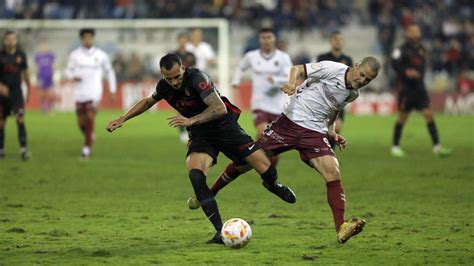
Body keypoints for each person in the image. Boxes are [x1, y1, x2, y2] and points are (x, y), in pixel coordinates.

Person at [105, 54, 296, 244]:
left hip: (225, 128)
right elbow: (148, 101)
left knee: (265, 166)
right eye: (168, 78)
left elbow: (219, 108)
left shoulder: (198, 78)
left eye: (176, 76)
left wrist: (191, 120)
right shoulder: (164, 86)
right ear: (162, 75)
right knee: (196, 175)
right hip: (200, 135)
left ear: (183, 68)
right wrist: (122, 118)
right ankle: (221, 231)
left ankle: (272, 185)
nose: (173, 82)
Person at [189, 57, 381, 244]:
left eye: (368, 80)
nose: (362, 80)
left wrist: (331, 131)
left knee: (333, 171)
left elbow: (335, 108)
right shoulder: (334, 69)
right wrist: (291, 83)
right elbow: (297, 69)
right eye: (362, 74)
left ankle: (341, 228)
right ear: (356, 66)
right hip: (288, 123)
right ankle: (209, 193)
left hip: (313, 132)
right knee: (248, 161)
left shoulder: (352, 93)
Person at [391, 24, 451, 157]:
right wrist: (406, 71)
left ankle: (437, 147)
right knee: (402, 117)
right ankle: (395, 147)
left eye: (418, 31)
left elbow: (423, 67)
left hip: (420, 88)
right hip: (406, 89)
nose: (417, 33)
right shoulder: (400, 49)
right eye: (413, 31)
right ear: (408, 33)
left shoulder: (422, 49)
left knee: (429, 115)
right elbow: (394, 64)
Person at [64, 28, 117, 158]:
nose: (88, 40)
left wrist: (112, 89)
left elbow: (110, 72)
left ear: (93, 38)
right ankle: (90, 135)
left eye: (90, 37)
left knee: (90, 117)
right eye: (85, 38)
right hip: (80, 93)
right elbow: (67, 71)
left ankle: (86, 149)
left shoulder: (101, 55)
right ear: (81, 39)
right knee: (81, 123)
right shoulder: (75, 55)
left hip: (94, 93)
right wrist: (72, 77)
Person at [317, 31, 353, 149]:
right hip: (323, 98)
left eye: (340, 39)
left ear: (343, 42)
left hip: (338, 100)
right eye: (335, 39)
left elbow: (351, 79)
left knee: (336, 128)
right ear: (331, 41)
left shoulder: (347, 59)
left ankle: (329, 151)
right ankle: (322, 151)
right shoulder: (322, 58)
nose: (338, 41)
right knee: (322, 130)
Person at [0, 30, 31, 160]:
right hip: (2, 95)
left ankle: (23, 149)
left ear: (16, 40)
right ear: (4, 40)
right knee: (1, 122)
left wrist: (29, 90)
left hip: (16, 93)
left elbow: (26, 73)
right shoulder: (0, 55)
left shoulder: (21, 55)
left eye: (13, 39)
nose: (11, 41)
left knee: (20, 119)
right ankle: (1, 149)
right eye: (8, 39)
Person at [173, 32, 196, 143]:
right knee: (180, 108)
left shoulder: (191, 55)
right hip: (177, 85)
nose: (182, 41)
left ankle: (191, 131)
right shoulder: (174, 55)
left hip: (189, 84)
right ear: (178, 41)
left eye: (184, 39)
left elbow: (194, 69)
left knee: (192, 108)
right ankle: (182, 132)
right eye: (180, 39)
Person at [34, 41, 55, 114]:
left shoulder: (50, 55)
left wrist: (53, 74)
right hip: (41, 76)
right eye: (42, 46)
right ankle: (43, 108)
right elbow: (36, 67)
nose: (43, 48)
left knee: (50, 93)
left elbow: (53, 65)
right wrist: (36, 75)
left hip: (49, 76)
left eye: (45, 46)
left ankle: (51, 108)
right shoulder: (37, 56)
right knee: (42, 93)